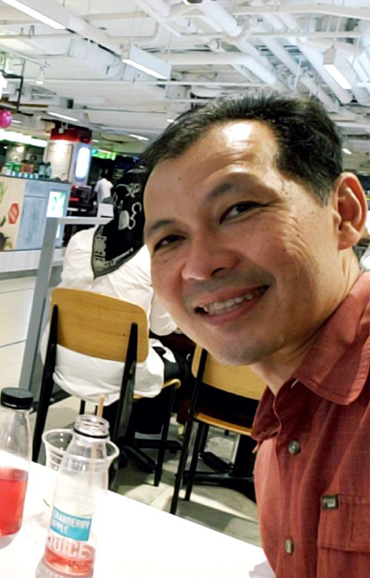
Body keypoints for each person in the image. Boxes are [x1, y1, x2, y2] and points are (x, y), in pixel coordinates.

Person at [140, 92, 369, 577]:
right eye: (170, 239)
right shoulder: (283, 415)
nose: (201, 266)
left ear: (344, 213)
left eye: (240, 208)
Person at [43, 169, 180, 421]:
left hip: (61, 357)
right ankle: (127, 436)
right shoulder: (156, 256)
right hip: (117, 373)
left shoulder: (80, 241)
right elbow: (162, 327)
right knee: (179, 364)